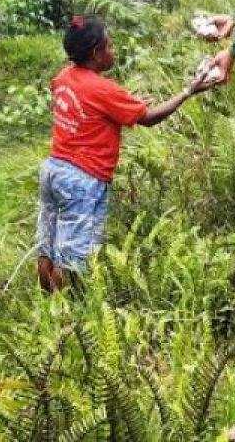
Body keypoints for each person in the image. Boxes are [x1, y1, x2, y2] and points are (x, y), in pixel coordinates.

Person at [37, 16, 213, 292]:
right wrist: (188, 91)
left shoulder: (63, 78)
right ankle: (66, 318)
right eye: (110, 45)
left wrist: (124, 105)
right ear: (96, 53)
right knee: (72, 259)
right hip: (81, 181)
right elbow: (150, 118)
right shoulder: (104, 89)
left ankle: (46, 304)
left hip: (53, 170)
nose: (114, 50)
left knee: (47, 246)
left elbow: (87, 107)